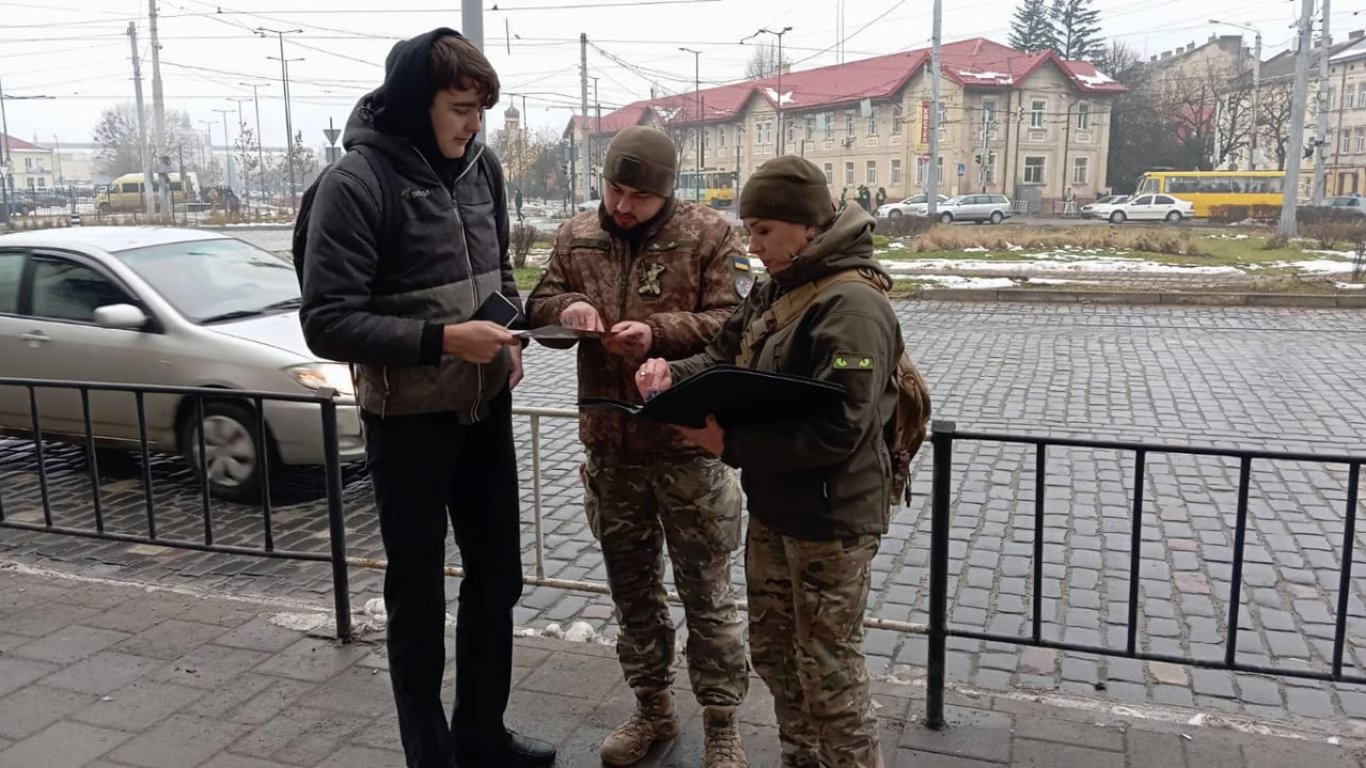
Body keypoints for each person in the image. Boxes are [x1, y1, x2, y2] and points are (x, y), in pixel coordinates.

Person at [298, 28, 554, 768]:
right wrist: (446, 341)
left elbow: (497, 278)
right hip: (406, 420)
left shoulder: (483, 168)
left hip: (484, 407)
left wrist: (510, 336)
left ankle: (481, 731)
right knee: (417, 598)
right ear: (417, 101)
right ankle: (429, 752)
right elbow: (326, 321)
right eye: (460, 106)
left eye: (481, 109)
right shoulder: (356, 184)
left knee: (498, 576)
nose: (472, 123)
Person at [636, 155, 903, 768]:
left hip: (833, 520)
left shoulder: (853, 307)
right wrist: (668, 376)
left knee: (829, 672)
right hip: (777, 506)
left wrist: (727, 446)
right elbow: (723, 357)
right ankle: (799, 759)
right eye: (748, 230)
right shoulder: (776, 287)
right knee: (780, 658)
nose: (751, 246)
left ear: (807, 225)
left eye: (762, 230)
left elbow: (841, 427)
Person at [526, 125, 752, 768]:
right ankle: (652, 709)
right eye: (614, 189)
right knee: (632, 594)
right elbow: (538, 303)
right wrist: (566, 309)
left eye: (638, 196)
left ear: (667, 193)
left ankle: (722, 724)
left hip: (688, 450)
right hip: (611, 449)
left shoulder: (710, 235)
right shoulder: (575, 235)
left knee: (708, 595)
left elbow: (734, 322)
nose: (622, 206)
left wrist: (656, 333)